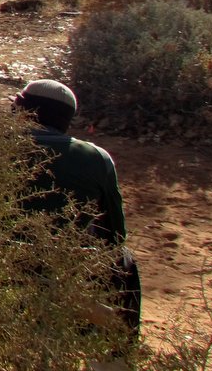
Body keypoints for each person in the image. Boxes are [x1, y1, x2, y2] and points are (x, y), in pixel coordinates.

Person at [10, 79, 141, 342]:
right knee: (125, 259)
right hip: (69, 270)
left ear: (24, 113)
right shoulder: (97, 159)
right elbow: (115, 233)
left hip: (2, 264)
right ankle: (119, 351)